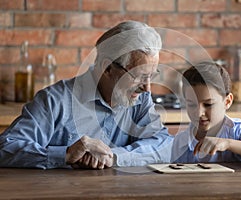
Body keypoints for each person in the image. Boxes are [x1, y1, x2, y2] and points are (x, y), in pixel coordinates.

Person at [0, 20, 173, 169]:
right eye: (139, 76)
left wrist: (114, 157)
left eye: (151, 76)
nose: (148, 88)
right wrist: (65, 155)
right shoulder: (55, 100)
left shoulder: (140, 99)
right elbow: (5, 148)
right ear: (108, 68)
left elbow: (164, 144)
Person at [171, 61, 241, 167]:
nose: (199, 113)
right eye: (192, 105)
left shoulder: (239, 131)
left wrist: (228, 144)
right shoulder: (180, 142)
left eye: (208, 104)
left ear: (227, 102)